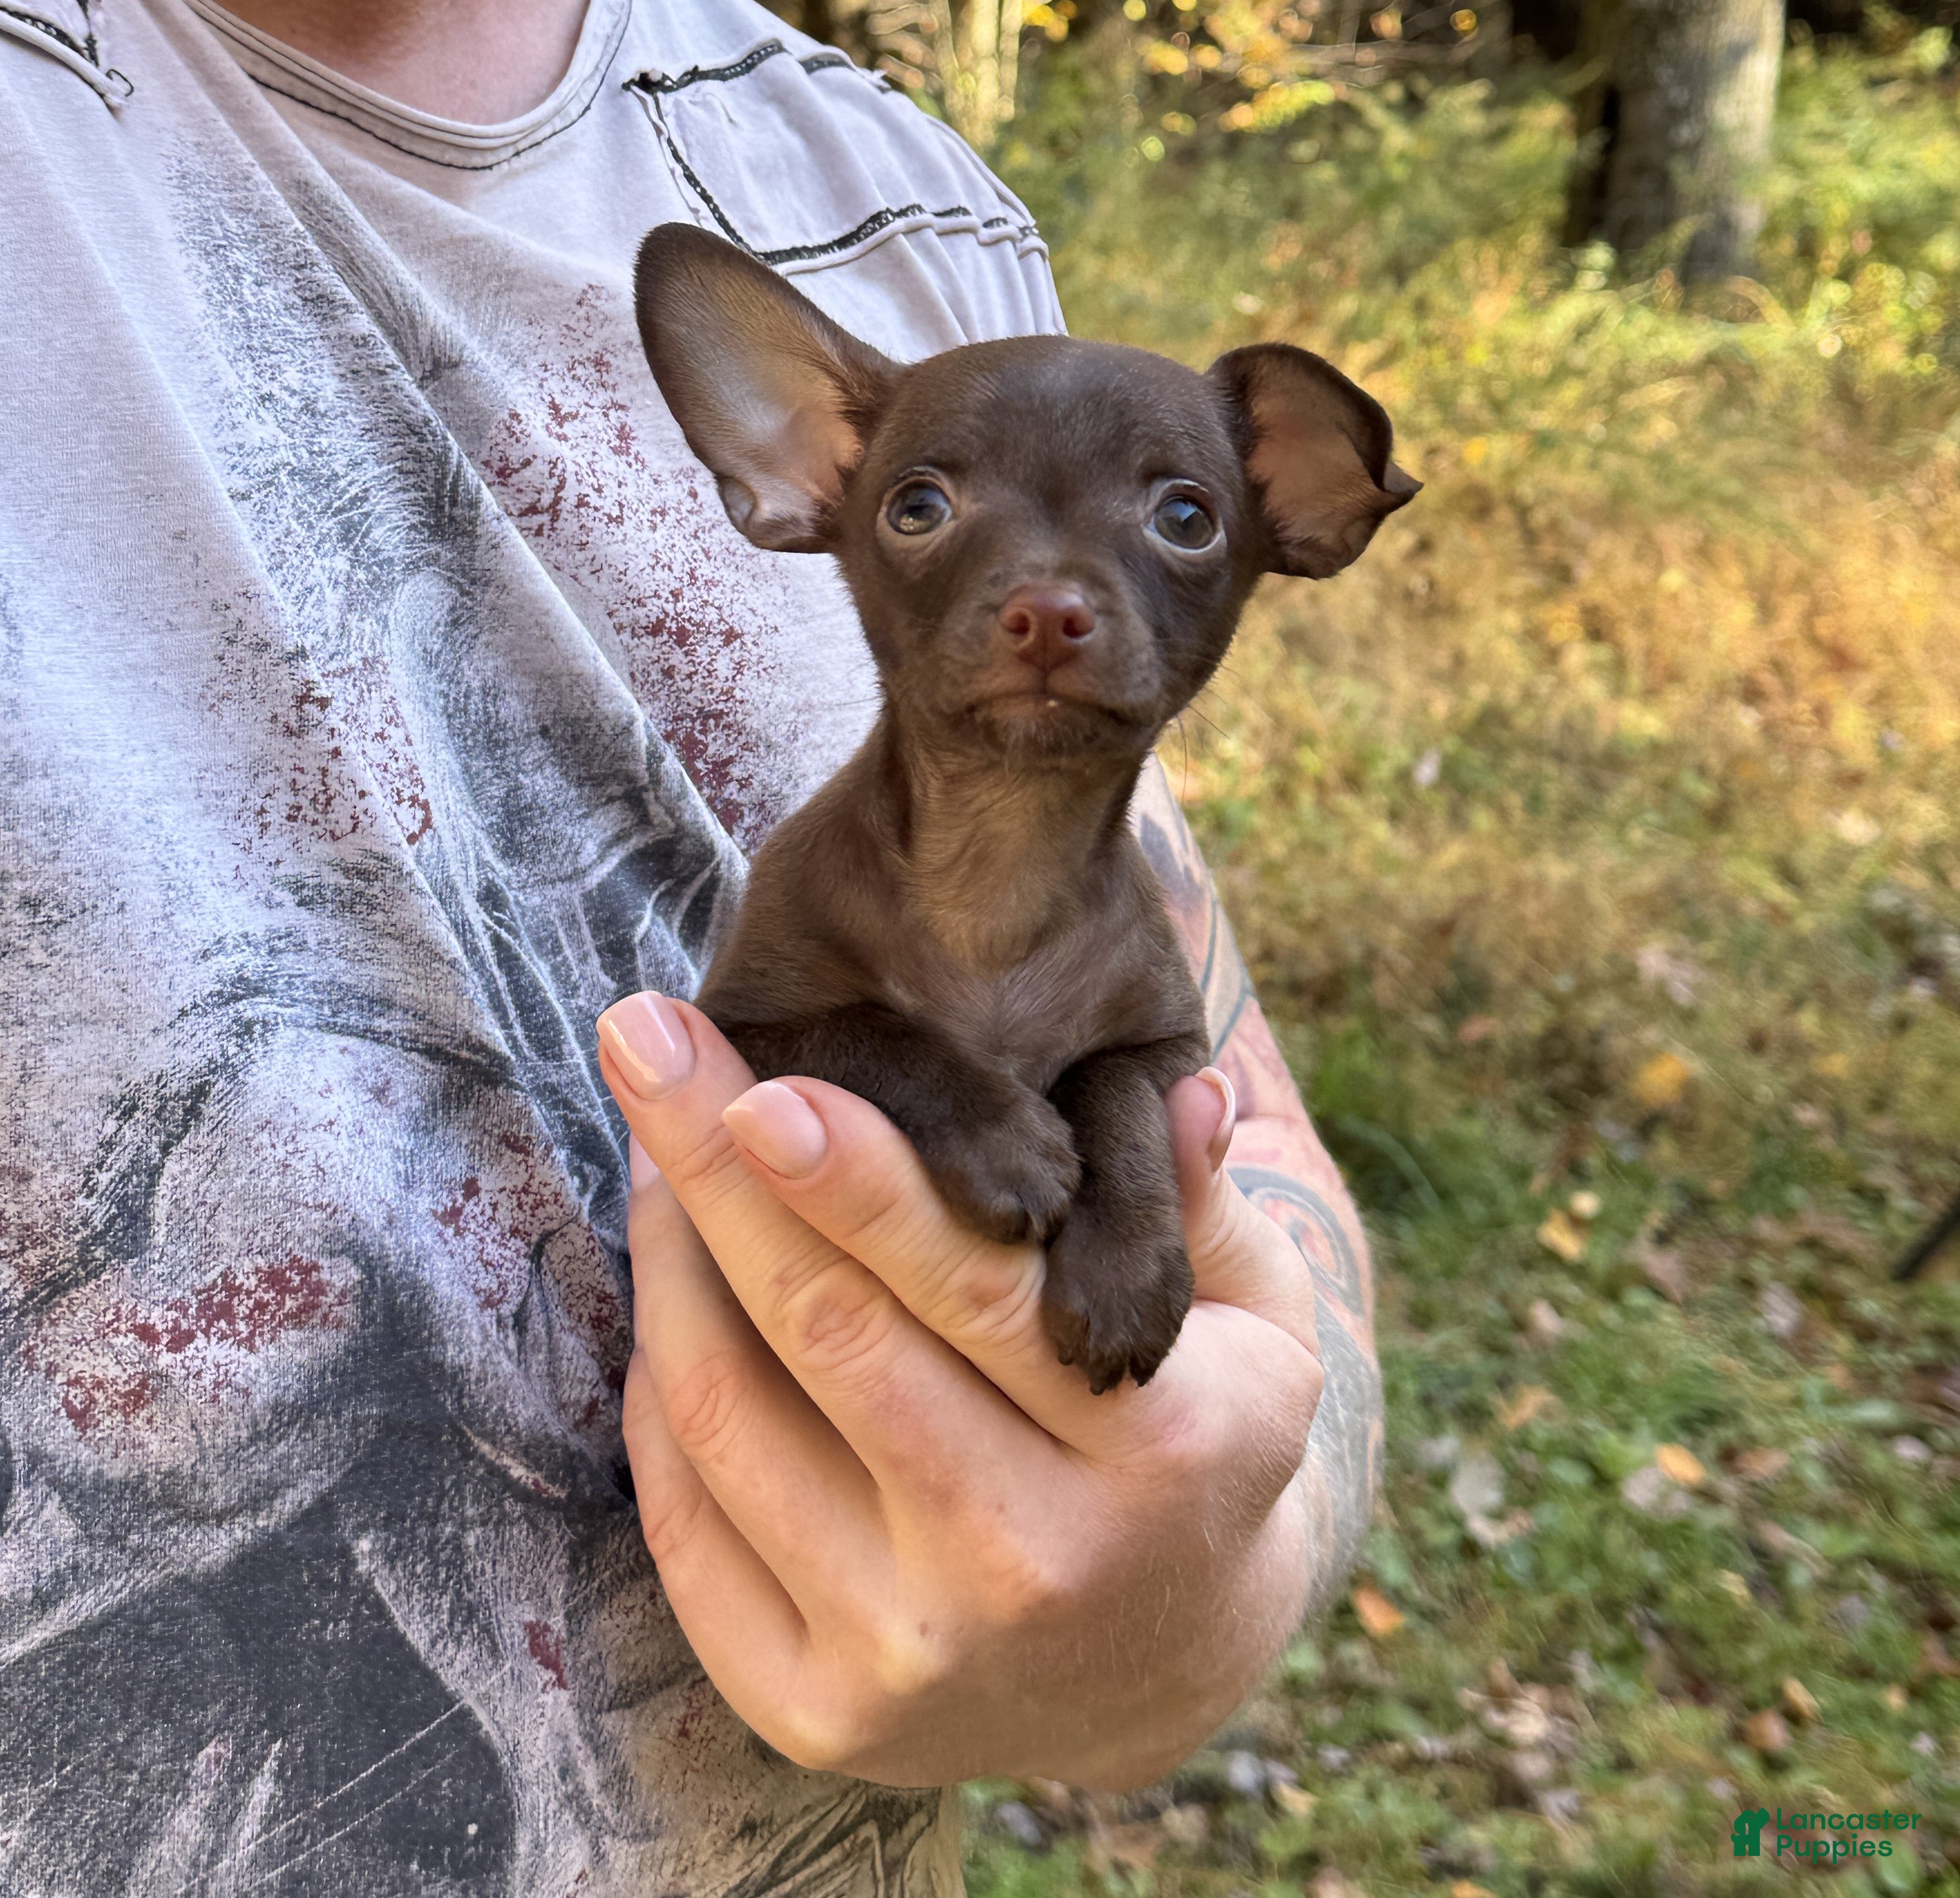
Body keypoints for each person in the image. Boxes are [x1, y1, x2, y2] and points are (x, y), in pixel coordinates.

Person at [0, 0, 1384, 1888]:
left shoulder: (892, 199)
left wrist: (1216, 1567)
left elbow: (1221, 1105)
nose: (1049, 600)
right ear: (790, 473)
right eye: (927, 506)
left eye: (1164, 520)